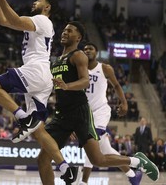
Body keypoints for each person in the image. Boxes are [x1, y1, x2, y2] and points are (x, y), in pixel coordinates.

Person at [37, 21, 160, 185]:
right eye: (64, 30)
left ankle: (134, 164)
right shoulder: (57, 61)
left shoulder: (79, 56)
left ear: (78, 37)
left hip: (84, 112)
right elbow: (55, 88)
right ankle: (134, 165)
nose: (65, 33)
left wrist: (67, 86)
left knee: (98, 159)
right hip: (62, 115)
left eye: (70, 31)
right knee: (43, 158)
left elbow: (85, 81)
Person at [0, 0, 76, 183]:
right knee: (38, 130)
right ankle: (65, 167)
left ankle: (22, 117)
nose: (35, 2)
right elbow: (3, 21)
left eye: (39, 0)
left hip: (36, 70)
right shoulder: (38, 22)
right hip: (43, 78)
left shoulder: (42, 20)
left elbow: (14, 20)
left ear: (47, 7)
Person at [79, 42, 142, 185]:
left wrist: (124, 102)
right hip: (85, 115)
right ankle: (133, 175)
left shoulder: (104, 68)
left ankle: (84, 182)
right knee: (105, 149)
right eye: (85, 49)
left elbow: (117, 86)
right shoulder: (79, 70)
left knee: (91, 140)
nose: (87, 50)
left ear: (96, 52)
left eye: (91, 49)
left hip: (101, 111)